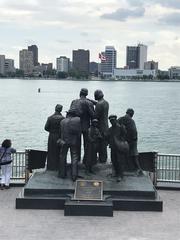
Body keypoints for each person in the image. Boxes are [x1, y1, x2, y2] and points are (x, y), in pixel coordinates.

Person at [70, 88, 95, 160]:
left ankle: (76, 159)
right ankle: (86, 159)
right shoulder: (89, 103)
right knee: (87, 144)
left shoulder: (74, 102)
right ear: (86, 94)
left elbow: (70, 114)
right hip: (86, 126)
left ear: (80, 93)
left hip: (75, 126)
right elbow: (93, 115)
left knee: (76, 144)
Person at [58, 108, 81, 181]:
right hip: (74, 141)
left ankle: (62, 174)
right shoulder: (77, 120)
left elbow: (60, 132)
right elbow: (79, 132)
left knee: (62, 157)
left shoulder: (62, 121)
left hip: (64, 141)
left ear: (68, 114)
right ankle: (74, 175)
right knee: (74, 157)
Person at [118, 108, 143, 175]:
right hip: (132, 141)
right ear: (132, 114)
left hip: (123, 141)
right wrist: (134, 139)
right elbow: (134, 131)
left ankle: (124, 168)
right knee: (134, 154)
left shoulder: (120, 119)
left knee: (124, 154)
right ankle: (138, 168)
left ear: (126, 112)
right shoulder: (131, 121)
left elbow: (116, 128)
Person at [107, 115, 127, 182]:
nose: (112, 122)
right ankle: (116, 173)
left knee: (120, 161)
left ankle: (120, 175)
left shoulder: (121, 127)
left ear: (116, 120)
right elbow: (107, 137)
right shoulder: (110, 129)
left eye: (113, 120)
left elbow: (125, 136)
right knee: (114, 161)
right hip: (113, 147)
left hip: (119, 148)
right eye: (111, 121)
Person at [44, 104, 65, 170]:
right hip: (59, 136)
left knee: (51, 151)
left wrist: (51, 131)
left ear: (55, 108)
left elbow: (46, 128)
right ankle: (58, 166)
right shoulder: (63, 118)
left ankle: (50, 166)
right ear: (61, 110)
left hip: (51, 136)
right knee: (58, 151)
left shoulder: (50, 118)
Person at [94, 89, 109, 163]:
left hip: (100, 127)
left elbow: (95, 116)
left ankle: (102, 160)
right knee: (104, 144)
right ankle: (104, 159)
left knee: (100, 144)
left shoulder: (98, 104)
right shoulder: (106, 102)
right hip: (106, 126)